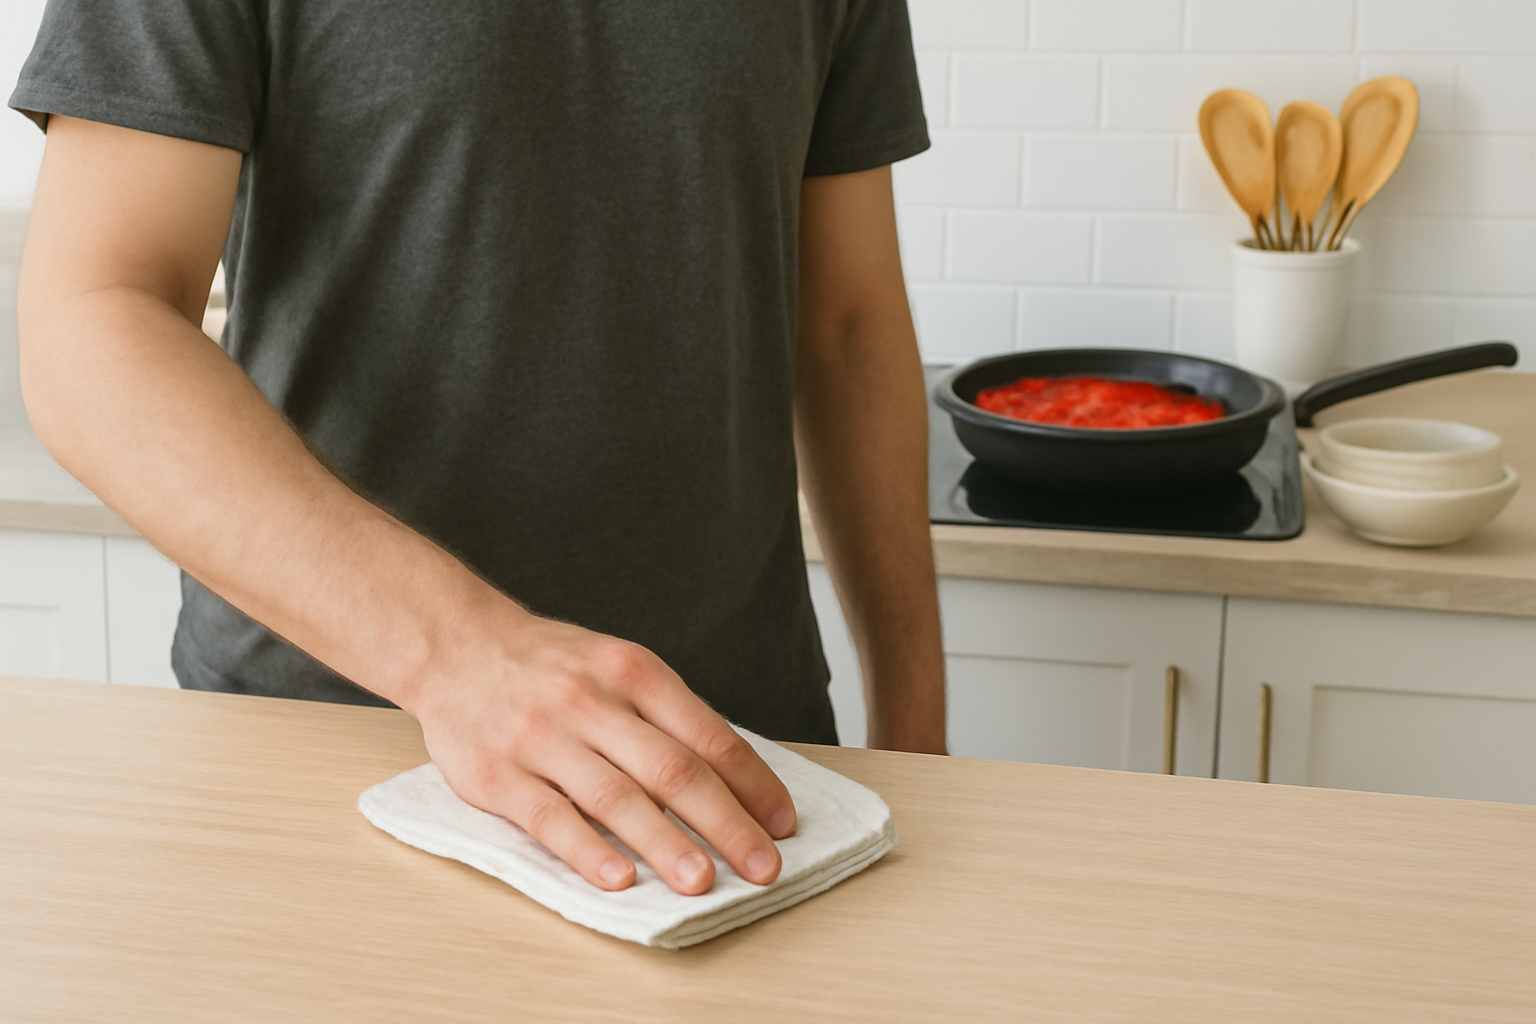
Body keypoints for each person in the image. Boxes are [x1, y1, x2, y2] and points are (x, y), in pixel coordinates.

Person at [11, 1, 946, 897]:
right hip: (327, 751)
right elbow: (92, 318)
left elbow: (850, 326)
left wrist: (915, 728)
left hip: (735, 763)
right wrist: (461, 658)